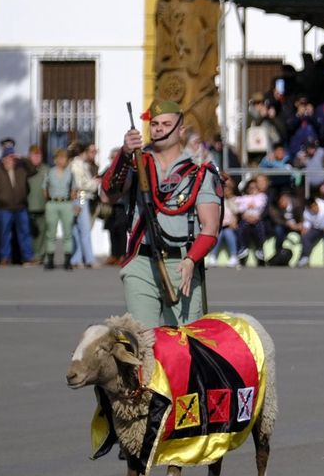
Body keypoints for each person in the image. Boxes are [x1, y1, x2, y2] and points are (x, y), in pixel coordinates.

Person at [100, 102, 223, 327]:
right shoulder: (137, 165)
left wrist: (191, 260)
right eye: (154, 124)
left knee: (185, 343)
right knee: (144, 341)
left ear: (181, 130)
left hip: (182, 264)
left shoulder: (199, 172)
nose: (158, 128)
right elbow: (107, 195)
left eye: (166, 124)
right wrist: (124, 154)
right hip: (141, 264)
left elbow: (210, 227)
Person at [0, 147, 35, 266]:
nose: (11, 160)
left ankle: (28, 257)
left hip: (21, 207)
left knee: (24, 233)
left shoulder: (21, 169)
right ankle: (5, 258)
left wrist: (22, 158)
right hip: (4, 208)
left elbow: (33, 170)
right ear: (3, 159)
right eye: (8, 158)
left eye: (12, 158)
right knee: (4, 234)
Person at [39, 149, 76, 269]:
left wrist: (77, 204)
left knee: (68, 233)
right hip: (52, 203)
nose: (63, 160)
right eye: (60, 158)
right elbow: (44, 188)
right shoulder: (50, 172)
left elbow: (75, 190)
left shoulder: (70, 173)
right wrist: (48, 201)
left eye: (65, 158)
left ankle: (67, 261)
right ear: (55, 159)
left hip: (66, 203)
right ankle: (49, 259)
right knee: (51, 232)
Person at [68, 144, 100, 269]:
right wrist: (95, 183)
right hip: (80, 196)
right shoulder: (77, 165)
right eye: (90, 151)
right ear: (84, 152)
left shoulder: (81, 164)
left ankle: (76, 258)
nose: (93, 154)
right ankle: (89, 259)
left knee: (77, 229)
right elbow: (80, 184)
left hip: (80, 196)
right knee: (84, 228)